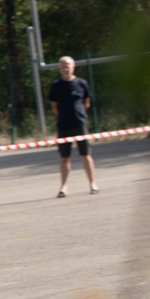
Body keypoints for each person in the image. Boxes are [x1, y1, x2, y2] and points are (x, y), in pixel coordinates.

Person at [48, 56, 99, 197]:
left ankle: (93, 184)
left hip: (79, 124)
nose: (66, 68)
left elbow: (86, 102)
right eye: (63, 65)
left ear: (73, 66)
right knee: (65, 157)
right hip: (63, 126)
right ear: (60, 68)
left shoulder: (81, 83)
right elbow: (54, 106)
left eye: (68, 65)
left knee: (86, 155)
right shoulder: (56, 85)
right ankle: (63, 187)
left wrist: (79, 116)